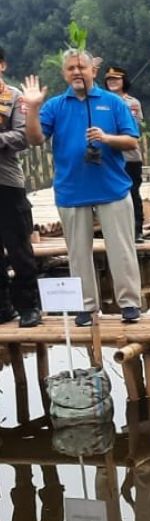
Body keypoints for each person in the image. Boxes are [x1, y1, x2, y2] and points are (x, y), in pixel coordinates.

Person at [21, 50, 143, 326]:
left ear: (93, 71)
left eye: (81, 67)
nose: (76, 72)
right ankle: (86, 306)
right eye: (70, 68)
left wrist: (106, 138)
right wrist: (33, 109)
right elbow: (35, 139)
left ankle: (129, 302)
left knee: (122, 249)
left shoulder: (112, 102)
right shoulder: (55, 105)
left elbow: (132, 141)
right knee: (77, 253)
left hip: (112, 188)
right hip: (71, 190)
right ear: (64, 73)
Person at [0, 47, 40, 327]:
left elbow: (24, 136)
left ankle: (29, 306)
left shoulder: (14, 97)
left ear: (2, 65)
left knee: (19, 248)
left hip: (6, 182)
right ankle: (2, 308)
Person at [102, 66, 146, 243]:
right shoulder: (101, 101)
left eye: (117, 79)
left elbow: (132, 127)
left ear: (124, 81)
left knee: (133, 192)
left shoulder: (131, 102)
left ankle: (137, 230)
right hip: (109, 156)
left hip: (129, 156)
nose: (113, 82)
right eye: (109, 79)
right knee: (110, 194)